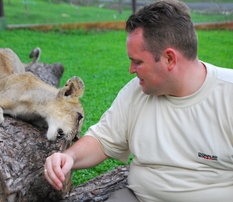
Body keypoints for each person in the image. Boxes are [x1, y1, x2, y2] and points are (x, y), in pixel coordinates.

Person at [44, 0, 233, 201]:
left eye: (138, 62)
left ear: (169, 58)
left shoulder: (227, 94)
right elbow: (102, 140)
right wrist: (69, 157)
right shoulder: (137, 92)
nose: (131, 70)